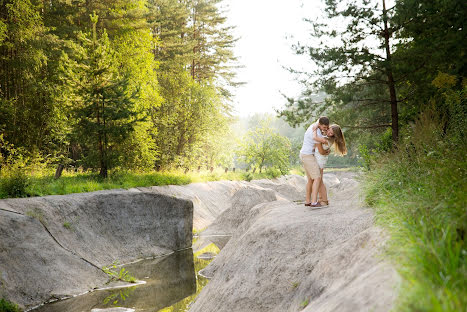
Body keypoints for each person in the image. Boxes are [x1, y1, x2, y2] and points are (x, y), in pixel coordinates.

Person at [300, 116, 330, 207]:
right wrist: (326, 152)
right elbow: (321, 150)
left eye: (327, 127)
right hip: (308, 156)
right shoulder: (317, 133)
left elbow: (320, 119)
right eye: (324, 127)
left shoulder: (315, 125)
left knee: (310, 179)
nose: (326, 129)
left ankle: (308, 201)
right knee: (317, 178)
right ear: (320, 125)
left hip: (303, 154)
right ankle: (314, 202)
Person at [314, 124, 347, 206]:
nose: (328, 132)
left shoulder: (327, 139)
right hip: (320, 159)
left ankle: (324, 200)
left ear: (334, 135)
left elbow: (319, 146)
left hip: (319, 160)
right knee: (319, 180)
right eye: (329, 130)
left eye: (331, 133)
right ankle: (322, 199)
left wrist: (315, 129)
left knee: (319, 180)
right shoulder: (328, 138)